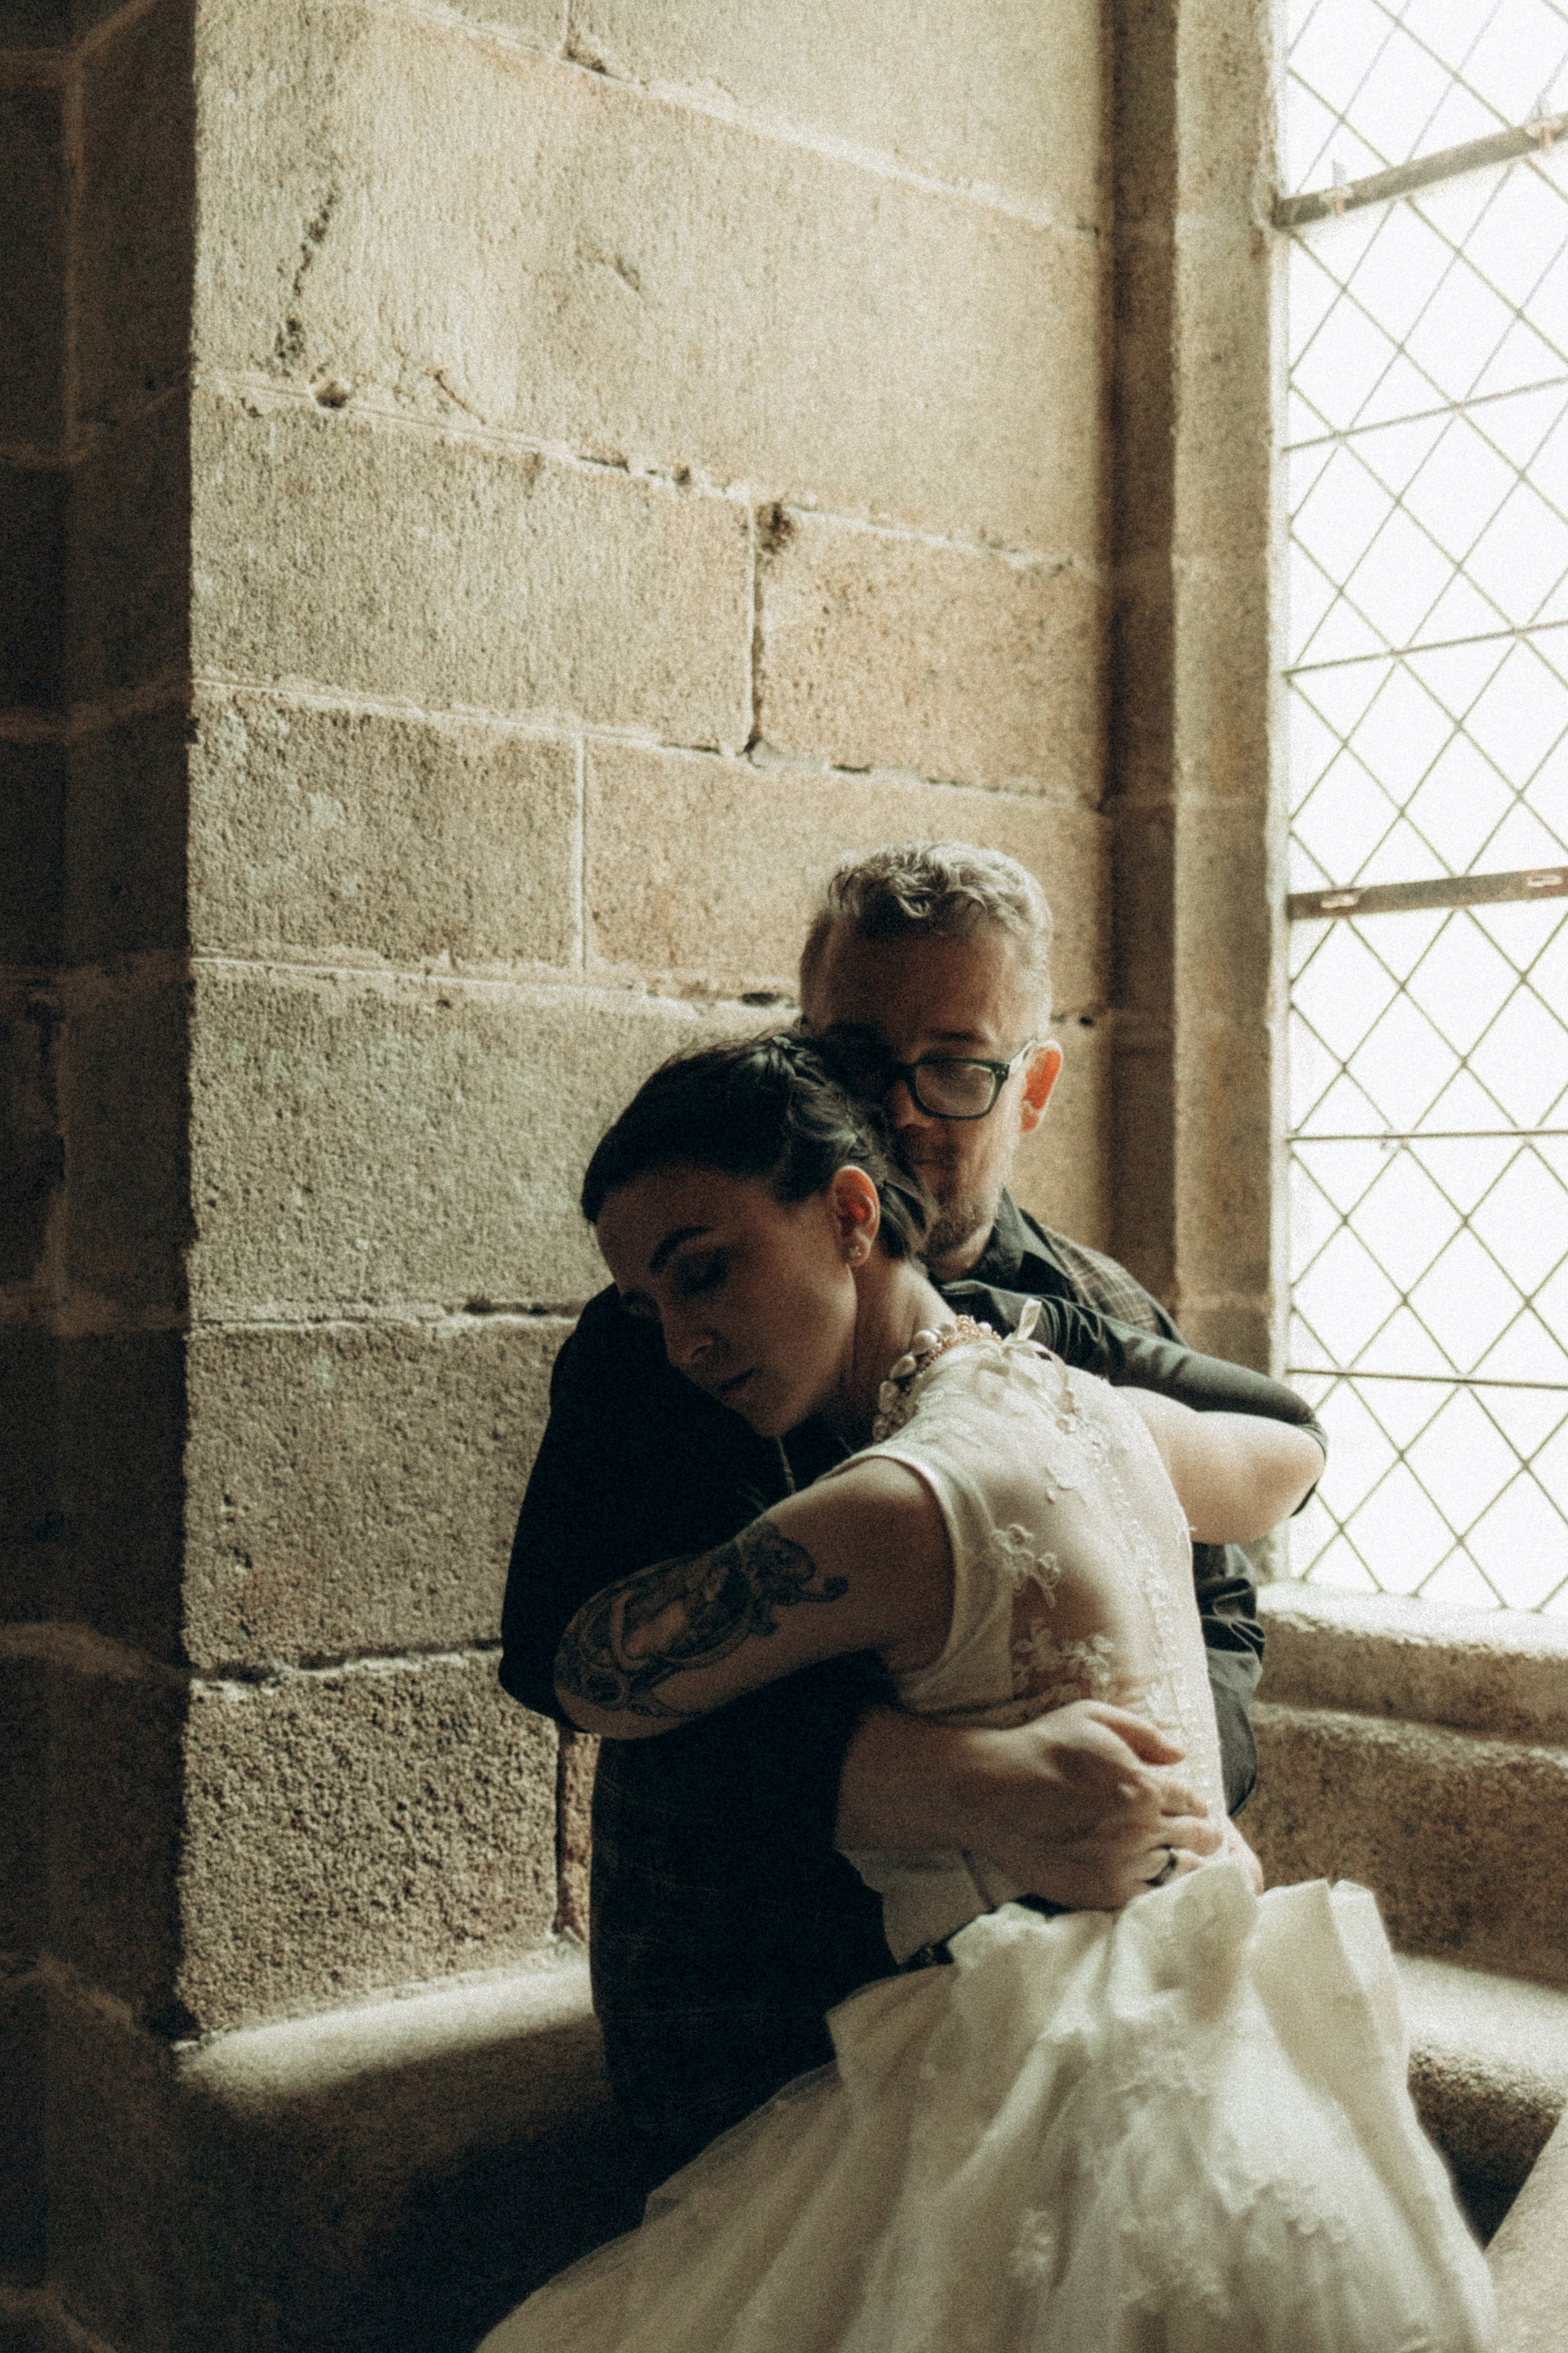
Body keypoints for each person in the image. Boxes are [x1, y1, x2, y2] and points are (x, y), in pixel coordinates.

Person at [480, 1037, 1490, 2353]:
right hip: (1215, 2037)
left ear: (850, 1211)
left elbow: (589, 1674)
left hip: (1037, 2077)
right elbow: (1265, 1461)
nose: (680, 1344)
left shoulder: (890, 1508)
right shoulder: (1098, 1408)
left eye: (705, 1271)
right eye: (647, 1308)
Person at [501, 844, 1321, 2172]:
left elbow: (1221, 1598)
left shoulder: (1093, 1312)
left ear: (1033, 1086)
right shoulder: (665, 1333)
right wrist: (963, 1783)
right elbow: (567, 1656)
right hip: (758, 1992)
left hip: (1077, 1960)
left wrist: (1153, 1793)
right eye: (846, 1057)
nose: (894, 1106)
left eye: (952, 1066)